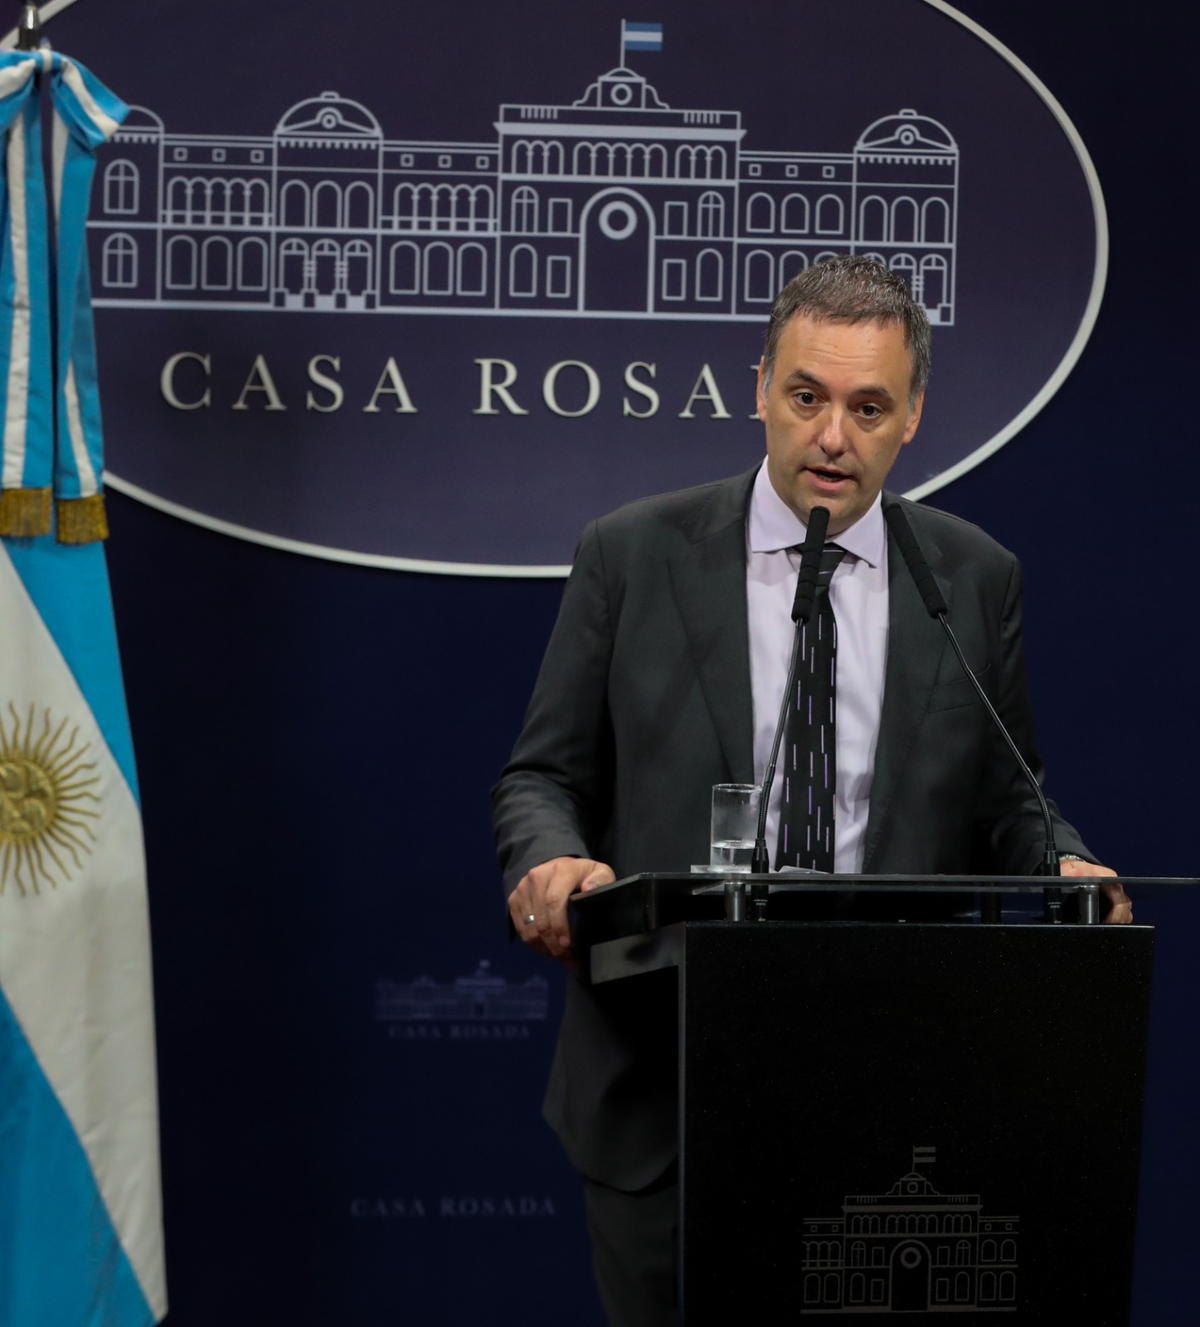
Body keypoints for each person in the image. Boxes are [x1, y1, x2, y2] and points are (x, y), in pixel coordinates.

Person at [491, 256, 1129, 1326]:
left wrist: (1062, 861)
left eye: (868, 407)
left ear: (912, 416)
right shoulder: (633, 554)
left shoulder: (973, 578)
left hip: (890, 1078)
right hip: (665, 1071)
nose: (833, 436)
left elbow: (1011, 798)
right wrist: (550, 856)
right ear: (760, 390)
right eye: (807, 397)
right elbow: (544, 774)